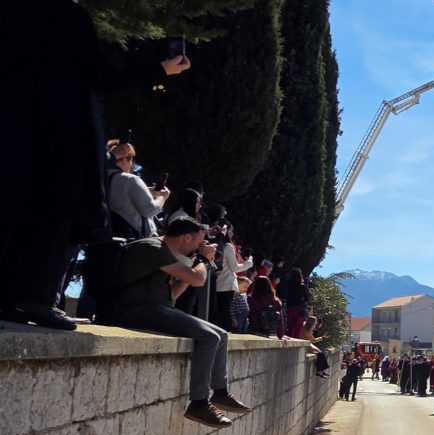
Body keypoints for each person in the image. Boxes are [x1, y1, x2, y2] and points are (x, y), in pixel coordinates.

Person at [0, 0, 191, 331]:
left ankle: (8, 297)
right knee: (59, 214)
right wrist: (162, 69)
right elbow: (102, 76)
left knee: (15, 209)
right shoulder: (67, 14)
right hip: (60, 131)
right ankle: (36, 298)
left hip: (15, 129)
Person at [113, 217, 250, 427]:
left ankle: (220, 393)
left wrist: (193, 269)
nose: (200, 247)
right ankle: (199, 403)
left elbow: (174, 296)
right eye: (199, 242)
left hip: (157, 309)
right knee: (209, 337)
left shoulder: (166, 254)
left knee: (221, 335)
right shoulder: (152, 247)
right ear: (186, 237)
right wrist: (203, 260)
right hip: (136, 311)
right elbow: (198, 279)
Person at [107, 141, 168, 240]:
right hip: (137, 240)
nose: (132, 164)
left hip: (109, 237)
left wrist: (149, 191)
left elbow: (122, 194)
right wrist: (162, 197)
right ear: (123, 160)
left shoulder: (102, 179)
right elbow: (150, 210)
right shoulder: (130, 179)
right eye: (130, 158)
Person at [212, 218, 253, 332]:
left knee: (218, 313)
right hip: (227, 284)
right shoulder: (228, 246)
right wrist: (249, 263)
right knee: (224, 314)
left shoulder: (215, 244)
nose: (232, 233)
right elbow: (234, 267)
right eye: (231, 231)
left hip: (217, 283)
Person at [283, 268, 309, 339]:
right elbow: (307, 299)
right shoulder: (302, 286)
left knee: (290, 326)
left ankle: (290, 340)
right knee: (298, 328)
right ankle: (296, 341)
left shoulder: (288, 285)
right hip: (299, 309)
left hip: (289, 307)